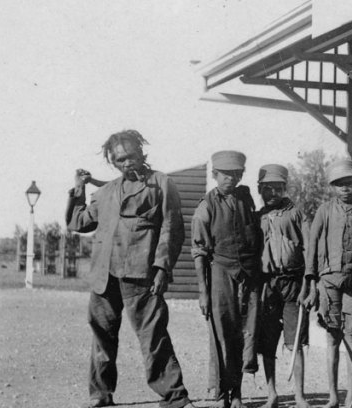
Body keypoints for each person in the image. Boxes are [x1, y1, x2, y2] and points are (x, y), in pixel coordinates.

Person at [66, 129, 196, 408]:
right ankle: (100, 395)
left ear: (141, 154)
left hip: (142, 274)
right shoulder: (105, 192)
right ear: (113, 162)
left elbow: (172, 229)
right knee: (102, 337)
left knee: (153, 336)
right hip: (105, 275)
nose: (127, 163)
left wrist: (162, 268)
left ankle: (174, 396)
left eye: (131, 157)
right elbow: (79, 223)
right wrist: (78, 189)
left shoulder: (161, 183)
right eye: (120, 160)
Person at [191, 151, 263, 408]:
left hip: (248, 276)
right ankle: (222, 394)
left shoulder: (246, 198)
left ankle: (238, 394)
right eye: (224, 175)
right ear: (214, 175)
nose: (229, 179)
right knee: (223, 335)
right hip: (220, 274)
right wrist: (203, 291)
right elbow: (199, 251)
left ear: (241, 175)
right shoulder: (206, 206)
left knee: (246, 334)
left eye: (235, 174)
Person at [303, 159, 352, 408]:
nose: (345, 188)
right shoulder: (324, 210)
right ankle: (333, 395)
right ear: (333, 187)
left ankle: (350, 397)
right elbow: (312, 246)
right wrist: (312, 284)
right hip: (329, 282)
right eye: (340, 184)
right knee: (333, 338)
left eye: (350, 183)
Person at [255, 164, 311, 408]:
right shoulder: (258, 217)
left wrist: (310, 285)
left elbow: (309, 249)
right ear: (260, 190)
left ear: (285, 189)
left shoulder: (297, 214)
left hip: (293, 283)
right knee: (267, 343)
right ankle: (272, 394)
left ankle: (299, 395)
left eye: (278, 188)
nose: (273, 193)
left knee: (295, 341)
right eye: (267, 189)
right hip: (268, 285)